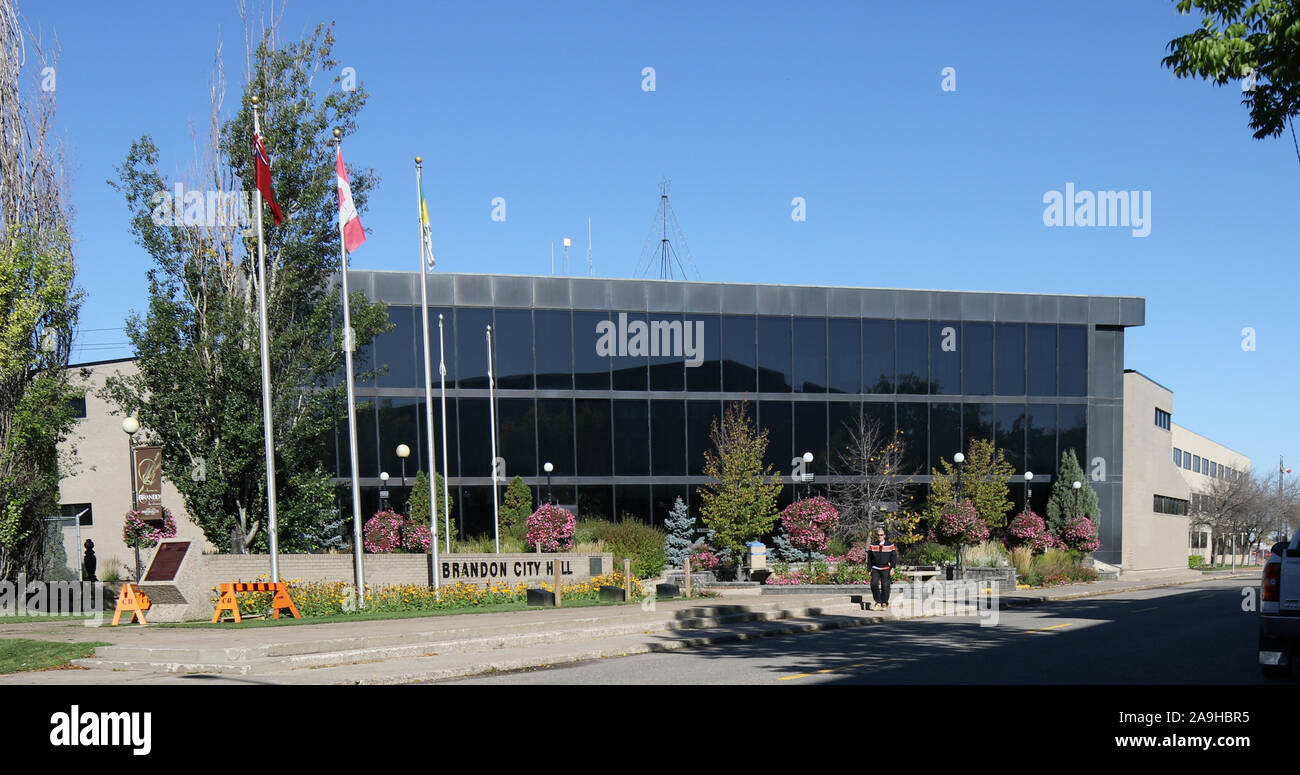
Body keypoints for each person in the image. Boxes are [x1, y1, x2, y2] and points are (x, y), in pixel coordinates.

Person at [868, 527, 898, 610]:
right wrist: (869, 569)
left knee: (885, 586)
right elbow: (869, 558)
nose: (879, 536)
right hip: (875, 568)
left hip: (885, 568)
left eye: (881, 535)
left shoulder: (890, 545)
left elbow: (894, 557)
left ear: (884, 536)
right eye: (878, 535)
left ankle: (884, 602)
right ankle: (878, 601)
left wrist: (892, 568)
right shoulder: (873, 545)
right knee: (874, 584)